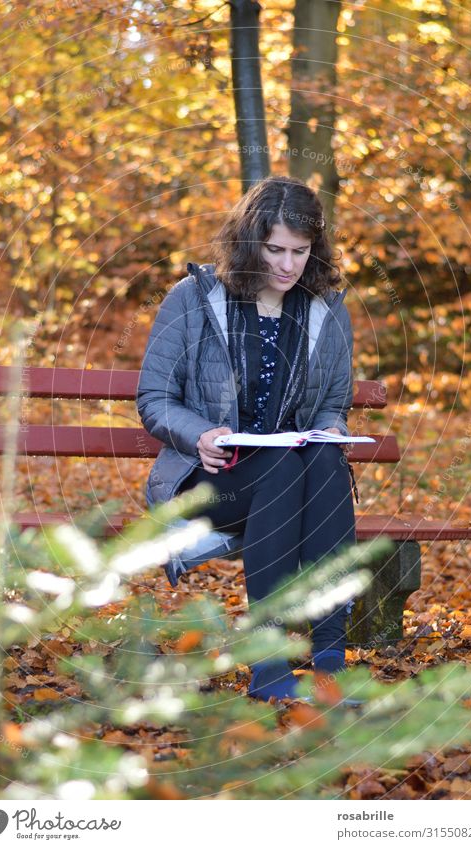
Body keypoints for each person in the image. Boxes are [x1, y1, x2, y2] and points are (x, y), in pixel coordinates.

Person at [137, 175, 356, 702]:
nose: (286, 265)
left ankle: (330, 660)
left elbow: (333, 402)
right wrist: (199, 435)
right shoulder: (193, 298)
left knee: (323, 457)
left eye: (299, 252)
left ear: (314, 249)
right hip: (211, 481)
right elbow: (155, 399)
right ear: (248, 241)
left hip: (293, 481)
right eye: (274, 248)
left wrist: (333, 427)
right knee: (289, 469)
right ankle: (269, 666)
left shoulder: (327, 310)